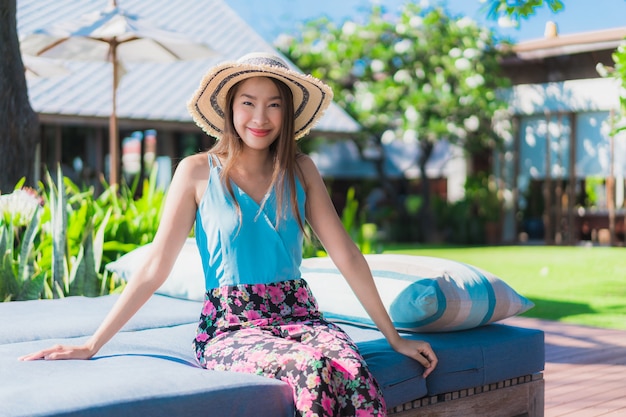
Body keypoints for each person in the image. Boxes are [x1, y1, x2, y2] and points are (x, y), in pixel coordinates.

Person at [20, 52, 438, 416]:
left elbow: (346, 254)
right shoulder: (196, 171)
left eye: (274, 105)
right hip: (231, 326)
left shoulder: (301, 170)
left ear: (288, 113)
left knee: (352, 369)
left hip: (301, 315)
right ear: (229, 108)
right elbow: (155, 268)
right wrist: (92, 344)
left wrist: (394, 338)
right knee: (311, 370)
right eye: (248, 103)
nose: (260, 118)